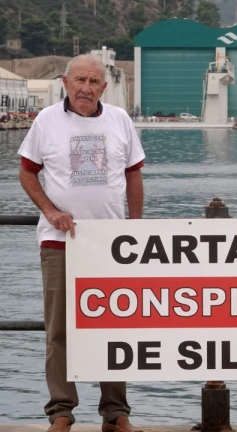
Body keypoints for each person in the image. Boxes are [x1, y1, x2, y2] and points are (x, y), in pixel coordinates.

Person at [17, 54, 146, 432]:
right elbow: (26, 173)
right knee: (59, 330)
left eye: (93, 82)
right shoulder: (45, 121)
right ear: (65, 82)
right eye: (80, 80)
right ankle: (61, 412)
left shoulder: (120, 120)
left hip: (111, 245)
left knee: (114, 328)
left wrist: (135, 228)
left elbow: (134, 176)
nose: (86, 88)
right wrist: (50, 211)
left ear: (104, 88)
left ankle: (116, 413)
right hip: (60, 242)